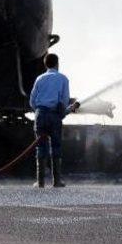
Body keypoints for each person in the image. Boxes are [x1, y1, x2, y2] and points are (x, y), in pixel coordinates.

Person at [29, 53, 79, 188]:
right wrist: (67, 111)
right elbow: (63, 101)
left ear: (45, 64)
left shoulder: (39, 78)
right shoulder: (63, 79)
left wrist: (39, 112)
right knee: (56, 146)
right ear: (57, 63)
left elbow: (32, 101)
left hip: (40, 114)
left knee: (40, 147)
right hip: (54, 115)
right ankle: (56, 181)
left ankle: (40, 182)